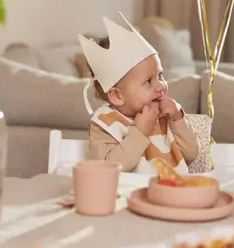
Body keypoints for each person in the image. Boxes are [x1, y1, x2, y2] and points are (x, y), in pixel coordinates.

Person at [78, 13, 199, 174]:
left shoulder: (165, 115)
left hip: (172, 187)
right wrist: (140, 133)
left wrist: (178, 118)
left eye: (160, 75)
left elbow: (191, 155)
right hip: (129, 189)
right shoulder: (105, 124)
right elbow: (109, 168)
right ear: (117, 96)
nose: (160, 85)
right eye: (148, 81)